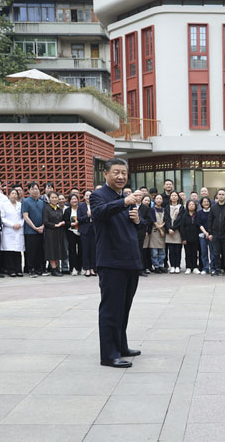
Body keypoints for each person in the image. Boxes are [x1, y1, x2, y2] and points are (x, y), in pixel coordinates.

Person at [91, 158, 143, 368]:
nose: (121, 176)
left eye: (124, 173)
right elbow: (99, 213)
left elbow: (137, 230)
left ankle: (121, 346)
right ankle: (109, 354)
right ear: (106, 174)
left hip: (129, 261)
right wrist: (125, 202)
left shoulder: (123, 197)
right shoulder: (98, 196)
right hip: (111, 262)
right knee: (111, 309)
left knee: (124, 308)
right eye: (116, 172)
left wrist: (138, 220)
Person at [22, 182, 46, 277]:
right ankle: (31, 269)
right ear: (29, 190)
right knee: (31, 251)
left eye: (36, 189)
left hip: (41, 230)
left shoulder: (42, 202)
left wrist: (42, 226)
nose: (35, 191)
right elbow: (25, 216)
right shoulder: (26, 201)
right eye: (33, 189)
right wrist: (35, 228)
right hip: (30, 231)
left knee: (40, 251)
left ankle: (39, 269)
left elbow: (45, 216)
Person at [0, 188, 25, 277]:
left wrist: (19, 224)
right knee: (9, 251)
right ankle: (11, 270)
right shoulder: (4, 205)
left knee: (18, 251)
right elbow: (2, 218)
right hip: (9, 230)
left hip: (19, 229)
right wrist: (12, 225)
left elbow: (23, 217)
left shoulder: (20, 205)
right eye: (12, 193)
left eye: (16, 194)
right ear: (9, 195)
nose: (14, 195)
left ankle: (19, 269)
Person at [208, 189, 225, 276]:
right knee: (216, 253)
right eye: (220, 194)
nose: (221, 196)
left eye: (223, 194)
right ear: (217, 196)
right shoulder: (213, 208)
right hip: (215, 234)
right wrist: (210, 233)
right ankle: (217, 269)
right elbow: (210, 221)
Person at [42, 192, 67, 277]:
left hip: (59, 233)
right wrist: (55, 225)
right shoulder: (47, 208)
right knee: (51, 251)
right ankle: (54, 269)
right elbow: (45, 222)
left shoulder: (59, 209)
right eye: (52, 197)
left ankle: (57, 268)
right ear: (49, 199)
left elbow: (62, 219)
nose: (54, 199)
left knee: (58, 251)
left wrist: (63, 222)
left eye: (56, 197)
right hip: (50, 233)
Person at [179, 199, 202, 274]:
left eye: (193, 204)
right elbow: (182, 227)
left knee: (195, 253)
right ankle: (188, 267)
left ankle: (195, 267)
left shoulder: (197, 215)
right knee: (187, 253)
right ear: (187, 206)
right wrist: (183, 238)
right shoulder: (184, 216)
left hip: (196, 237)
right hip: (187, 237)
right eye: (190, 205)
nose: (191, 206)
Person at [147, 194, 167, 273]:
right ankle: (156, 266)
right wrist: (160, 228)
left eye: (160, 198)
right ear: (154, 200)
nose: (159, 200)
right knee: (154, 251)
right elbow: (152, 220)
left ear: (162, 200)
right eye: (157, 198)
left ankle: (161, 265)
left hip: (162, 230)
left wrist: (162, 226)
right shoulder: (151, 209)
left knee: (162, 251)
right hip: (155, 231)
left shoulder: (164, 209)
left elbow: (166, 219)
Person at [64, 194, 83, 276]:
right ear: (69, 201)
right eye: (72, 199)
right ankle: (73, 268)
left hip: (81, 232)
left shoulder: (82, 209)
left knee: (81, 250)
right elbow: (65, 222)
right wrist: (72, 224)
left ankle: (81, 267)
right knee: (72, 250)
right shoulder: (67, 210)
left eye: (75, 199)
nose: (74, 200)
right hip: (71, 232)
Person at [165, 192, 184, 273]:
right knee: (171, 250)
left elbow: (180, 219)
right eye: (172, 195)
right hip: (169, 232)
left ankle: (177, 266)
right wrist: (169, 228)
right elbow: (166, 218)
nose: (174, 197)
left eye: (175, 195)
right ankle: (172, 266)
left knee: (178, 250)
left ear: (178, 197)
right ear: (170, 197)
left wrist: (173, 228)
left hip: (177, 231)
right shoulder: (167, 207)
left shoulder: (181, 207)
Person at [79, 190, 96, 277]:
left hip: (94, 230)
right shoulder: (81, 206)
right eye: (87, 195)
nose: (88, 197)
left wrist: (92, 215)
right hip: (85, 230)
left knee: (93, 250)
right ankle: (87, 268)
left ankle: (93, 268)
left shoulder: (95, 205)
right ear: (84, 197)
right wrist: (87, 216)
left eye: (90, 195)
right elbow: (79, 219)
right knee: (85, 250)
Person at [196, 197, 212, 274]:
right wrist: (205, 233)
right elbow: (199, 224)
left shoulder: (212, 212)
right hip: (202, 234)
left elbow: (212, 223)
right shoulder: (199, 213)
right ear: (201, 203)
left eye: (207, 201)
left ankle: (213, 268)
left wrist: (209, 233)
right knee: (203, 252)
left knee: (213, 252)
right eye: (204, 201)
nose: (206, 203)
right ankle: (205, 268)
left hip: (211, 235)